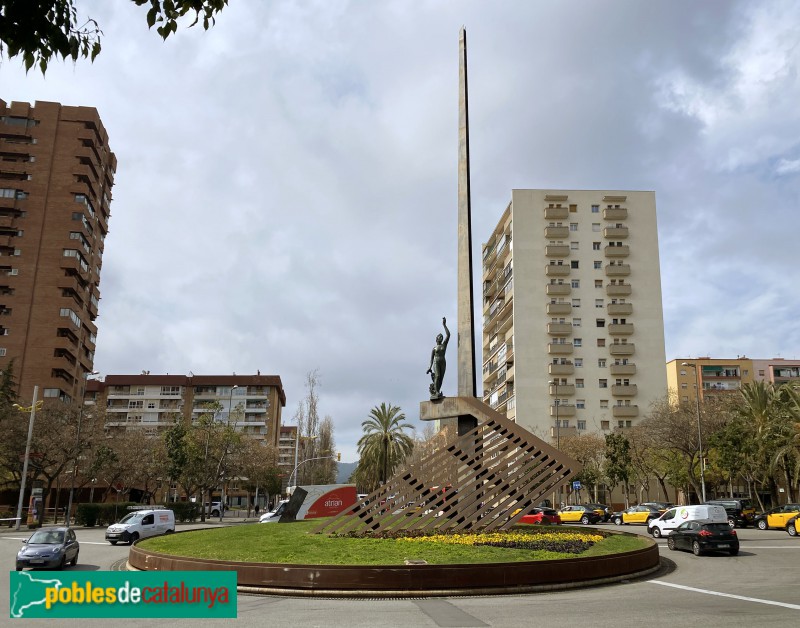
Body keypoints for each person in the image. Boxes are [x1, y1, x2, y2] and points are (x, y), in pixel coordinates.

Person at [427, 317, 450, 400]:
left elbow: (448, 335)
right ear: (436, 339)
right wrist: (429, 367)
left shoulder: (444, 345)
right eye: (439, 337)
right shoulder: (434, 348)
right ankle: (436, 392)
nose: (441, 337)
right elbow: (431, 359)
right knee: (437, 375)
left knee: (441, 378)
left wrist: (444, 325)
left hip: (443, 362)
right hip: (436, 362)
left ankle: (438, 392)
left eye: (441, 337)